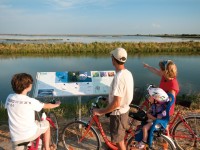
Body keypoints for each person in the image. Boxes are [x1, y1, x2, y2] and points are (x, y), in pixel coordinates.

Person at [5, 73, 61, 150]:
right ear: (27, 86)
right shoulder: (30, 101)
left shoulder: (9, 98)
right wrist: (56, 104)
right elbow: (46, 106)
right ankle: (47, 148)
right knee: (47, 124)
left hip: (15, 137)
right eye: (31, 83)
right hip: (29, 134)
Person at [93, 47, 134, 150]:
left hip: (118, 115)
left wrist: (101, 111)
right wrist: (109, 100)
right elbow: (122, 94)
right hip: (124, 111)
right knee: (120, 138)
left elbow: (116, 104)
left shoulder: (118, 77)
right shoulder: (127, 73)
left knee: (119, 143)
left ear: (113, 60)